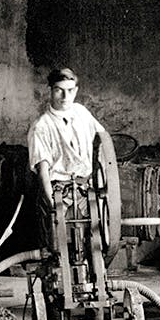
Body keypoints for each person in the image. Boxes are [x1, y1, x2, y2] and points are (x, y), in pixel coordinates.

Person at [26, 67, 112, 254]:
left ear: (76, 90)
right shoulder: (41, 126)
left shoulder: (82, 113)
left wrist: (104, 182)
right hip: (57, 191)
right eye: (59, 90)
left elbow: (104, 144)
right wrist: (53, 205)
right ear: (50, 90)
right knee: (58, 249)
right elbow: (43, 170)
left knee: (92, 247)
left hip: (85, 191)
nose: (65, 96)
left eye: (70, 90)